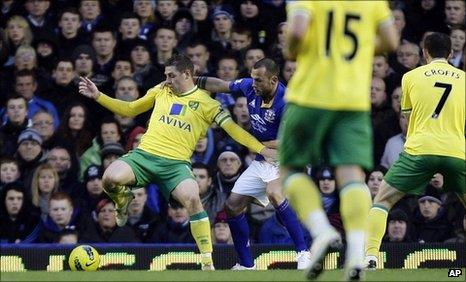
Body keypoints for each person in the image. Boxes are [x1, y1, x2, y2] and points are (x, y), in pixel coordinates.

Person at [78, 54, 275, 270]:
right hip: (144, 156)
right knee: (109, 178)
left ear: (187, 74)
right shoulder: (162, 90)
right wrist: (98, 96)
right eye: (166, 75)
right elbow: (131, 109)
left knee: (193, 200)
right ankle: (122, 199)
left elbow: (234, 130)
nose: (167, 80)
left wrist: (262, 149)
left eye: (171, 76)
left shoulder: (208, 104)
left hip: (176, 165)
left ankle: (207, 262)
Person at [282, 1, 398, 280]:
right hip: (353, 102)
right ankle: (357, 254)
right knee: (352, 175)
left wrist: (291, 49)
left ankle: (321, 232)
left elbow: (297, 31)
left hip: (310, 97)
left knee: (289, 169)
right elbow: (392, 40)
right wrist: (363, 49)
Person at [196, 58, 310, 270]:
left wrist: (254, 143)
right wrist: (194, 81)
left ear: (273, 79)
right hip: (263, 158)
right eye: (252, 79)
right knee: (232, 206)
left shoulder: (287, 102)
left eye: (258, 80)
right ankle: (246, 264)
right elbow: (221, 84)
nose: (253, 84)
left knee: (275, 192)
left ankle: (304, 253)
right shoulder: (250, 87)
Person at [365, 32, 465, 270]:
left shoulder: (410, 77)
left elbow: (407, 119)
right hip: (456, 150)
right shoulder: (464, 78)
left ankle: (370, 256)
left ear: (425, 53)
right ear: (450, 54)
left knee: (382, 200)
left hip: (419, 149)